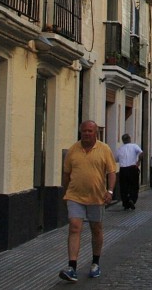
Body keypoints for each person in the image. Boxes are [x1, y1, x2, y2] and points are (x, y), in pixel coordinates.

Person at [60, 120, 118, 283]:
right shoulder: (73, 150)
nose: (86, 133)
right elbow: (66, 174)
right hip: (75, 196)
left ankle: (95, 263)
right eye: (84, 131)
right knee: (74, 226)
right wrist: (65, 193)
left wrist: (110, 191)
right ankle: (72, 267)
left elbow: (112, 172)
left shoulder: (104, 149)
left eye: (90, 131)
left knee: (96, 229)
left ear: (96, 133)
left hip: (97, 197)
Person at [114, 133, 142, 210]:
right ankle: (132, 199)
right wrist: (138, 161)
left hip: (123, 169)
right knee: (134, 185)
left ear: (123, 141)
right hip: (133, 168)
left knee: (124, 187)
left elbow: (115, 159)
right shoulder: (134, 146)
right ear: (129, 139)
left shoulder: (119, 149)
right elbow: (141, 153)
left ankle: (126, 203)